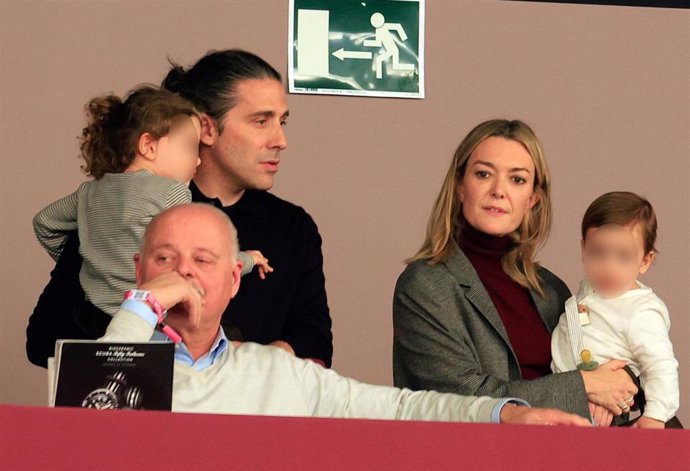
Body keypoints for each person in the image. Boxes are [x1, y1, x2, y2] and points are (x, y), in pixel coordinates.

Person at [82, 202, 589, 426]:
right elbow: (83, 434)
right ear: (139, 270)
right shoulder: (110, 364)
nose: (183, 275)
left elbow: (403, 409)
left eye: (203, 261)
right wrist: (141, 306)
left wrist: (506, 414)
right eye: (165, 260)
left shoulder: (277, 372)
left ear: (234, 280)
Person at [27, 49, 332, 367]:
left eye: (281, 121)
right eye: (261, 121)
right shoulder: (124, 208)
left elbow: (315, 344)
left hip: (244, 414)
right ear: (207, 128)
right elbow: (44, 341)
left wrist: (247, 367)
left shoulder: (293, 227)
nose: (281, 140)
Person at [393, 119, 638, 420]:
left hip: (572, 451)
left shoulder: (550, 289)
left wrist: (616, 388)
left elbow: (602, 366)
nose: (498, 190)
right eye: (483, 174)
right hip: (475, 459)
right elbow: (461, 396)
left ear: (533, 199)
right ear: (459, 187)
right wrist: (584, 385)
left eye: (517, 179)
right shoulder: (425, 284)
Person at [31, 85, 271, 338]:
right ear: (148, 146)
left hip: (91, 317)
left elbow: (44, 222)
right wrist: (247, 260)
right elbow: (200, 256)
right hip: (148, 317)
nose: (197, 161)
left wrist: (93, 261)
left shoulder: (90, 192)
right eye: (190, 147)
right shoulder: (171, 192)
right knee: (226, 340)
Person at [551, 192, 680, 428]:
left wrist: (655, 416)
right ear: (583, 248)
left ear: (645, 261)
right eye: (598, 253)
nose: (608, 267)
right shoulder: (590, 288)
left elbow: (660, 366)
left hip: (605, 414)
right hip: (565, 398)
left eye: (623, 257)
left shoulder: (641, 312)